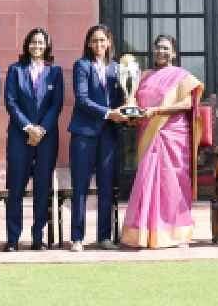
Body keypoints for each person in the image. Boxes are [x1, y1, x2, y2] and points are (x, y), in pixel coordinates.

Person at [120, 35, 203, 248]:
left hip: (173, 135)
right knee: (147, 181)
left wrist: (157, 110)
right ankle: (144, 234)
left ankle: (177, 235)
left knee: (172, 184)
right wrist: (132, 113)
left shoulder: (181, 76)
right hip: (148, 132)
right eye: (158, 48)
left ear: (174, 53)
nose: (161, 52)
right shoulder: (144, 76)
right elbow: (134, 101)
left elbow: (186, 104)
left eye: (166, 48)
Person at [67, 24, 127, 252]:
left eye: (103, 40)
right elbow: (81, 99)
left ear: (109, 42)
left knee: (106, 186)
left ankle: (104, 237)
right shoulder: (81, 66)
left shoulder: (117, 68)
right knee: (80, 185)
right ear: (88, 44)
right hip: (84, 133)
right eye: (94, 41)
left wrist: (127, 111)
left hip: (109, 134)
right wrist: (108, 112)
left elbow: (124, 97)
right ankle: (77, 237)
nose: (99, 45)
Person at [4, 27, 64, 251]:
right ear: (26, 45)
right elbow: (10, 102)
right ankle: (12, 238)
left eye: (41, 43)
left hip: (46, 139)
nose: (36, 47)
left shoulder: (55, 72)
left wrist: (41, 130)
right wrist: (29, 127)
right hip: (20, 137)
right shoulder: (15, 70)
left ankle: (38, 237)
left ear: (47, 46)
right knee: (16, 189)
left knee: (42, 188)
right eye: (33, 42)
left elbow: (56, 104)